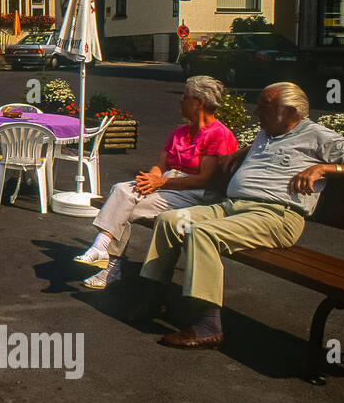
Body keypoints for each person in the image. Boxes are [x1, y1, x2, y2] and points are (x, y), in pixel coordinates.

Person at [140, 82, 344, 349]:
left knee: (202, 233)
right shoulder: (268, 131)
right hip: (234, 207)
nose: (256, 111)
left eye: (263, 106)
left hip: (275, 217)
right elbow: (272, 148)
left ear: (289, 112)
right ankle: (153, 296)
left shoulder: (318, 136)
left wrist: (324, 169)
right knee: (170, 221)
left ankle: (207, 325)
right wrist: (240, 153)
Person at [75, 76, 236, 288]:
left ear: (200, 102)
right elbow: (160, 165)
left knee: (121, 204)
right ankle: (104, 254)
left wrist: (159, 183)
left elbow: (205, 180)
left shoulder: (219, 135)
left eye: (184, 97)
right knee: (121, 195)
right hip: (169, 186)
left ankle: (107, 259)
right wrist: (150, 179)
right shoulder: (180, 132)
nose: (180, 101)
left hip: (197, 194)